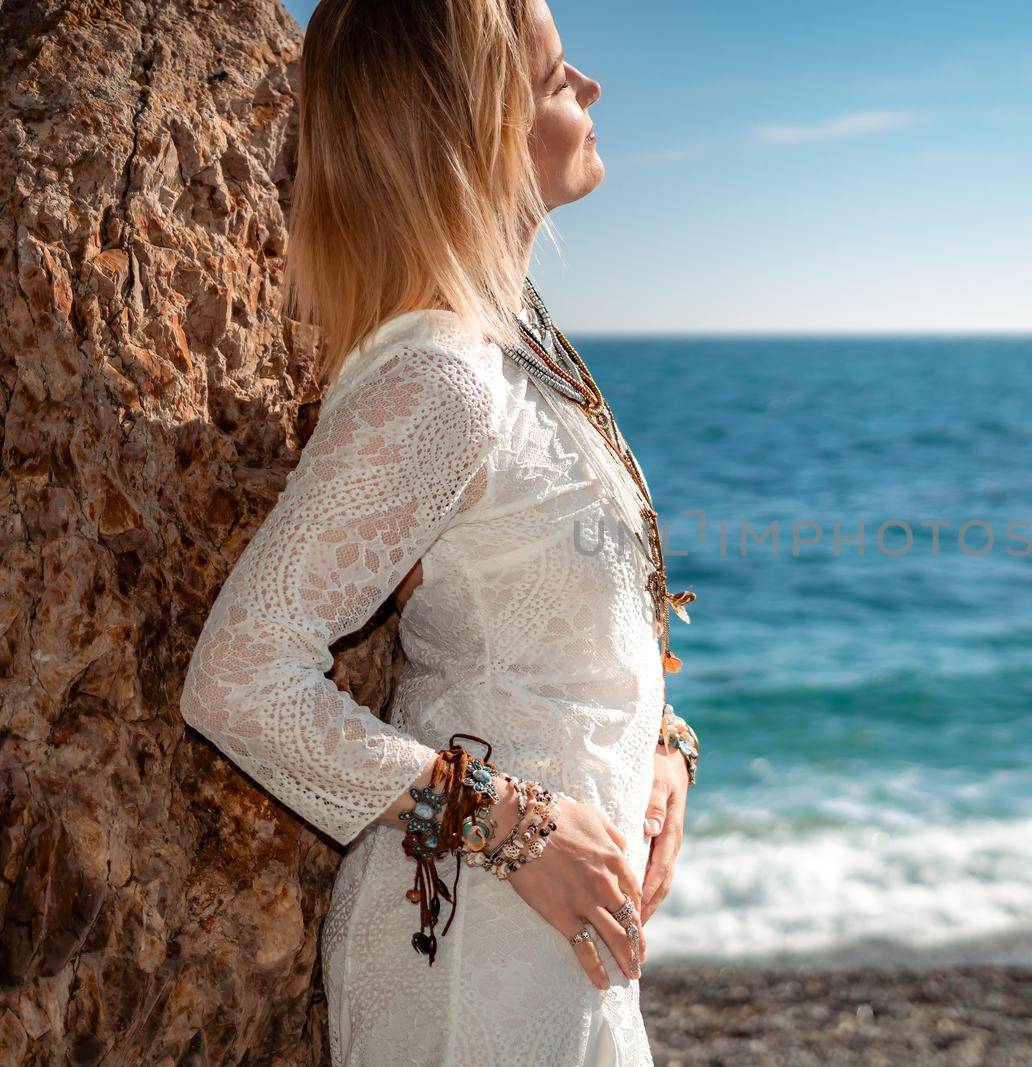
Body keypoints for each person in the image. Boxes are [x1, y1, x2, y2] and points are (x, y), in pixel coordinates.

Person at [177, 2, 699, 1063]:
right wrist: (507, 822)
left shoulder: (517, 354)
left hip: (552, 949)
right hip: (468, 953)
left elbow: (564, 624)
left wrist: (663, 743)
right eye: (556, 78)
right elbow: (238, 679)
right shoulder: (439, 380)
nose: (591, 88)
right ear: (477, 125)